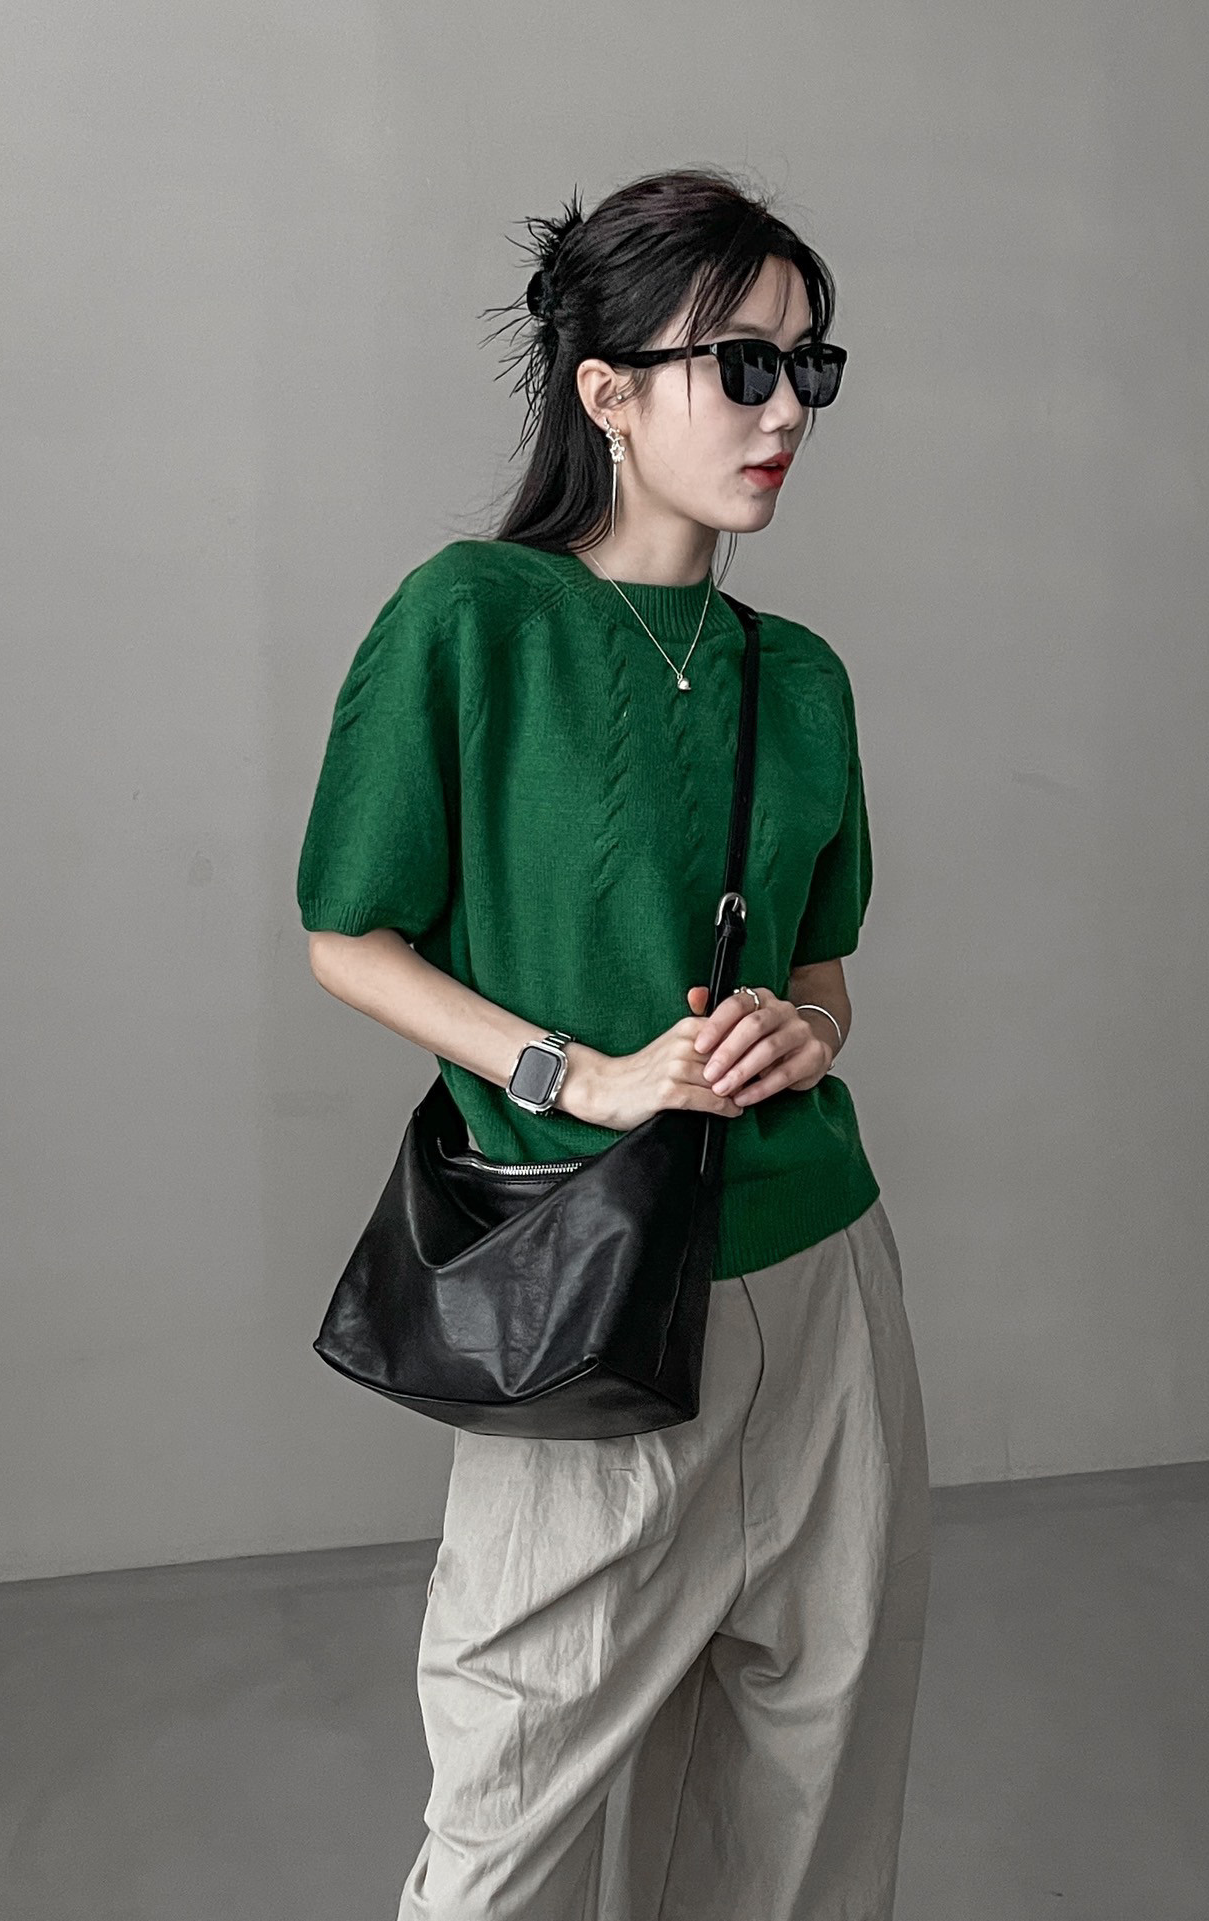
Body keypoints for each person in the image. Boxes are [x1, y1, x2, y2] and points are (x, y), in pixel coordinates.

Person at [296, 167, 932, 1921]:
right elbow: (347, 932)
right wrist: (578, 1076)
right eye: (743, 364)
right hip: (589, 1284)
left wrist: (801, 1031)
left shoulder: (798, 676)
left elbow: (824, 969)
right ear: (608, 391)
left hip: (822, 1283)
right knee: (511, 1796)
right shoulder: (471, 619)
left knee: (805, 1790)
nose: (785, 411)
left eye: (808, 368)